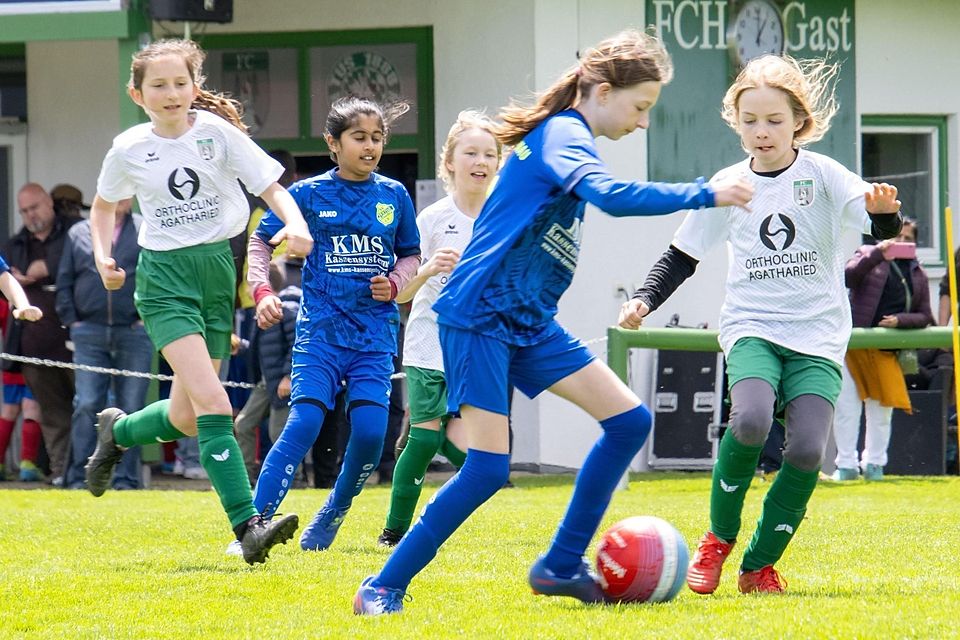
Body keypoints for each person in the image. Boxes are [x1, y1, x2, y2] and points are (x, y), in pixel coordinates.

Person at [353, 29, 754, 615]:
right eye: (640, 107)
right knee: (488, 469)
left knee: (628, 421)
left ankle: (560, 564)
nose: (642, 123)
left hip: (528, 320)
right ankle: (382, 586)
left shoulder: (568, 135)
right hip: (481, 314)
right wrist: (706, 193)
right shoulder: (564, 133)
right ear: (599, 90)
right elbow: (610, 196)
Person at [618, 55, 903, 595]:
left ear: (798, 120)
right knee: (749, 420)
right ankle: (718, 540)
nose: (762, 131)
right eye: (750, 120)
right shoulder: (728, 184)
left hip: (817, 336)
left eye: (774, 120)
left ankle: (758, 565)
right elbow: (681, 254)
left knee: (805, 451)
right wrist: (643, 299)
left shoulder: (823, 175)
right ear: (736, 121)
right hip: (753, 327)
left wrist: (884, 211)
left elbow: (873, 224)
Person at [83, 38, 313, 565]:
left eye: (180, 83)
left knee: (188, 416)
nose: (170, 94)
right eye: (158, 85)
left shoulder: (217, 134)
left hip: (216, 272)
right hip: (164, 280)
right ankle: (248, 524)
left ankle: (117, 430)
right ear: (136, 93)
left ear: (195, 86)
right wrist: (102, 257)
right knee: (216, 405)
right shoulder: (128, 148)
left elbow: (272, 187)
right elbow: (103, 208)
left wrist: (296, 224)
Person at [246, 95, 421, 553]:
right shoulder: (305, 195)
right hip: (320, 334)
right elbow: (260, 242)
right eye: (359, 137)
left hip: (374, 336)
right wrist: (262, 292)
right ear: (333, 142)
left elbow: (410, 254)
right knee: (302, 424)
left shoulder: (394, 195)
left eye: (377, 138)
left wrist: (398, 281)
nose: (370, 147)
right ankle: (253, 525)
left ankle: (333, 512)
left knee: (368, 433)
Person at [376, 110, 501, 547]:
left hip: (479, 348)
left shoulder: (505, 218)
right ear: (450, 162)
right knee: (426, 440)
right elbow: (401, 291)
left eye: (489, 153)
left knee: (478, 454)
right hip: (430, 343)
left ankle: (440, 520)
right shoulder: (430, 218)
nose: (480, 160)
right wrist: (428, 269)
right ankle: (394, 531)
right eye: (470, 152)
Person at [56, 198, 154, 491]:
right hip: (89, 331)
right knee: (87, 404)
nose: (121, 197)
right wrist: (73, 321)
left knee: (133, 408)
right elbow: (64, 280)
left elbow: (155, 275)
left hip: (134, 331)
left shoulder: (144, 228)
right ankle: (77, 478)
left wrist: (145, 317)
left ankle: (127, 480)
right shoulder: (79, 232)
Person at [831, 219, 933, 481]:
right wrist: (878, 253)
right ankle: (846, 466)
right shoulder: (867, 254)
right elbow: (848, 277)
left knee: (881, 411)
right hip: (855, 345)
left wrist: (900, 321)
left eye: (906, 237)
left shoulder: (917, 272)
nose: (900, 242)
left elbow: (925, 316)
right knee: (847, 408)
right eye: (895, 236)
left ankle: (875, 465)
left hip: (886, 350)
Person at [6, 183, 78, 485]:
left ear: (48, 203)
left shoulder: (76, 233)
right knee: (52, 416)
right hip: (34, 345)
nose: (29, 215)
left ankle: (93, 472)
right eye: (23, 211)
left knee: (90, 408)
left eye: (34, 207)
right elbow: (5, 280)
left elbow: (86, 266)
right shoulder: (16, 243)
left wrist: (45, 268)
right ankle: (62, 472)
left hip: (76, 339)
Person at [234, 258, 300, 486]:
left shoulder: (287, 308)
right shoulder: (261, 311)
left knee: (279, 433)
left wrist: (289, 376)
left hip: (283, 381)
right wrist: (240, 346)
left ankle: (294, 479)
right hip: (266, 382)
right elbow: (262, 350)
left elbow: (297, 344)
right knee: (242, 424)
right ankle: (246, 478)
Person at [0, 256, 44, 480]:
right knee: (28, 408)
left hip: (26, 359)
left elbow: (4, 278)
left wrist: (23, 305)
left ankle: (27, 464)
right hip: (16, 362)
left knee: (23, 408)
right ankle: (27, 465)